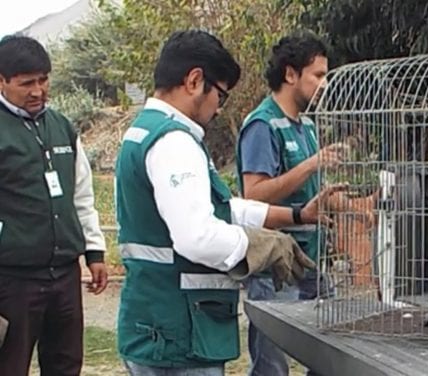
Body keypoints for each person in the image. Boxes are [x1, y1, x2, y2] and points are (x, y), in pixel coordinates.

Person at [114, 29, 340, 376]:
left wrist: (292, 216)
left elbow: (222, 206)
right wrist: (256, 245)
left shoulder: (146, 130)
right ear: (194, 80)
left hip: (157, 323)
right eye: (220, 95)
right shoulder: (174, 142)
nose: (220, 108)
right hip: (179, 331)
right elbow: (197, 236)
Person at [236, 30, 352, 376]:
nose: (325, 84)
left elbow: (313, 197)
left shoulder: (307, 126)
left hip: (312, 261)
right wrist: (311, 164)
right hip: (277, 266)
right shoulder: (262, 125)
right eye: (318, 75)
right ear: (290, 74)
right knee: (273, 365)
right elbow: (252, 197)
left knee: (332, 355)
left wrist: (360, 207)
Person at [0, 35, 109, 376]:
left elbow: (82, 195)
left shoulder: (62, 127)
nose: (38, 91)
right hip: (12, 280)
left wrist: (94, 252)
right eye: (26, 83)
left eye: (43, 80)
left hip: (64, 276)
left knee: (66, 366)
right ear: (1, 81)